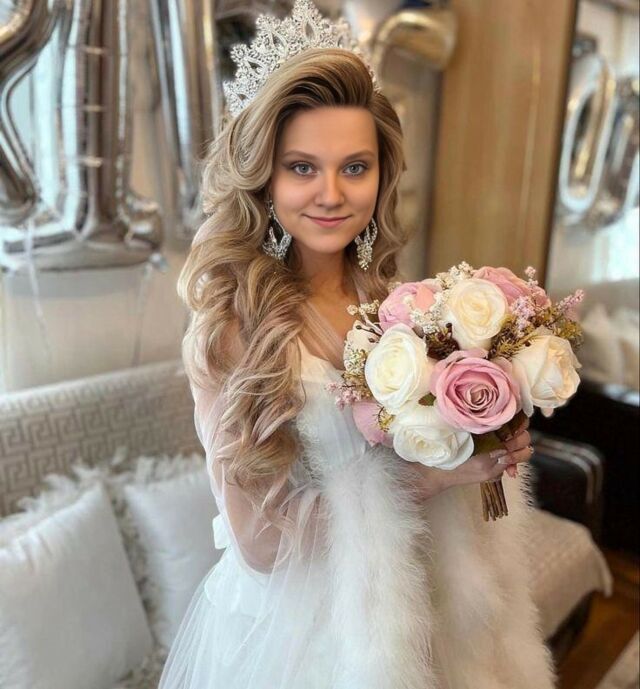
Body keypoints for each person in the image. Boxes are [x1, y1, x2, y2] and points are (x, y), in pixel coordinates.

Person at [159, 3, 557, 688]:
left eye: (355, 166)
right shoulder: (230, 326)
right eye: (302, 167)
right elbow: (259, 544)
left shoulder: (397, 301)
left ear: (382, 172)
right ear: (264, 175)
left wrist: (481, 434)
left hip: (416, 606)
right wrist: (430, 479)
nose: (331, 194)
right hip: (300, 635)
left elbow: (421, 441)